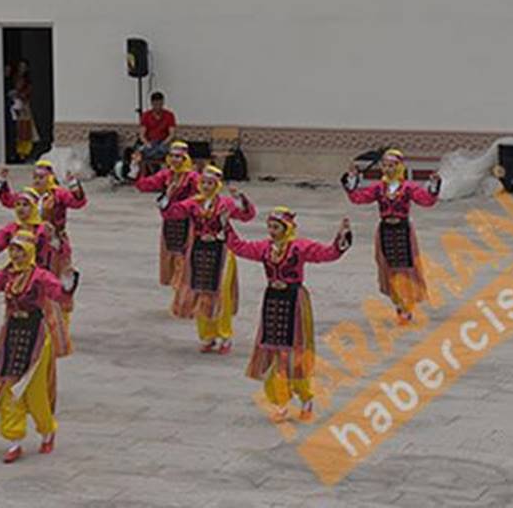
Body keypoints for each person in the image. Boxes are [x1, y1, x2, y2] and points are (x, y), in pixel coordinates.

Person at [0, 232, 78, 464]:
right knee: (9, 387)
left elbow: (58, 294)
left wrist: (68, 285)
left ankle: (47, 428)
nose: (15, 254)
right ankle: (14, 439)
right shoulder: (7, 274)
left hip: (36, 335)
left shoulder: (40, 276)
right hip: (12, 333)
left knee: (33, 390)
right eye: (12, 249)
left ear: (29, 251)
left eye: (19, 249)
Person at [224, 207, 352, 423]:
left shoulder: (299, 248)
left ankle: (306, 397)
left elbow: (327, 254)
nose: (272, 231)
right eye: (270, 227)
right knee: (273, 352)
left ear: (287, 228)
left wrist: (341, 237)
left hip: (295, 301)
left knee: (294, 354)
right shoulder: (264, 248)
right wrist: (225, 225)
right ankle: (280, 402)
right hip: (272, 301)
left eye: (276, 227)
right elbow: (239, 247)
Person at [164, 165, 255, 353]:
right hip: (199, 252)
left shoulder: (226, 204)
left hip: (222, 252)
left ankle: (225, 335)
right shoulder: (192, 203)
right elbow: (171, 213)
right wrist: (169, 196)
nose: (206, 186)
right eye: (203, 182)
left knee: (221, 294)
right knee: (201, 293)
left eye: (210, 183)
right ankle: (207, 336)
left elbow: (247, 216)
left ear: (217, 185)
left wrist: (241, 200)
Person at [342, 149, 440, 325]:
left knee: (406, 268)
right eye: (385, 165)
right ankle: (398, 305)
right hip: (385, 230)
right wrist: (352, 183)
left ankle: (406, 307)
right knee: (390, 269)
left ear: (400, 166)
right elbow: (358, 198)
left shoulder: (408, 188)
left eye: (392, 165)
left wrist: (433, 188)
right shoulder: (379, 188)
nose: (388, 169)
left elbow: (426, 201)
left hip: (402, 230)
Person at [0, 161, 85, 331]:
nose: (37, 180)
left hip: (54, 243)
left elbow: (78, 202)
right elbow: (8, 200)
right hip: (30, 243)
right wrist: (3, 182)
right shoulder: (29, 196)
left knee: (55, 281)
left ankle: (59, 323)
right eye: (35, 177)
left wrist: (74, 185)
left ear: (50, 178)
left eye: (41, 177)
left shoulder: (58, 195)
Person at [130, 141, 199, 317]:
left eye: (179, 157)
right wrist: (136, 168)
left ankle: (185, 303)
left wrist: (175, 204)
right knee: (174, 259)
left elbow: (198, 199)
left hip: (188, 223)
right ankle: (180, 300)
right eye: (173, 156)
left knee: (186, 263)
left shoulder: (192, 177)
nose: (176, 160)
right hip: (170, 224)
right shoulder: (166, 175)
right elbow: (143, 185)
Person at [138, 90, 177, 167]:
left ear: (163, 103)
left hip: (163, 143)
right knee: (142, 151)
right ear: (152, 104)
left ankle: (162, 168)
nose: (158, 107)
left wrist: (164, 143)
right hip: (150, 143)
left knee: (165, 151)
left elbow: (172, 134)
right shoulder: (146, 115)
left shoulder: (169, 115)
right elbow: (142, 135)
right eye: (156, 104)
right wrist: (147, 144)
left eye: (160, 104)